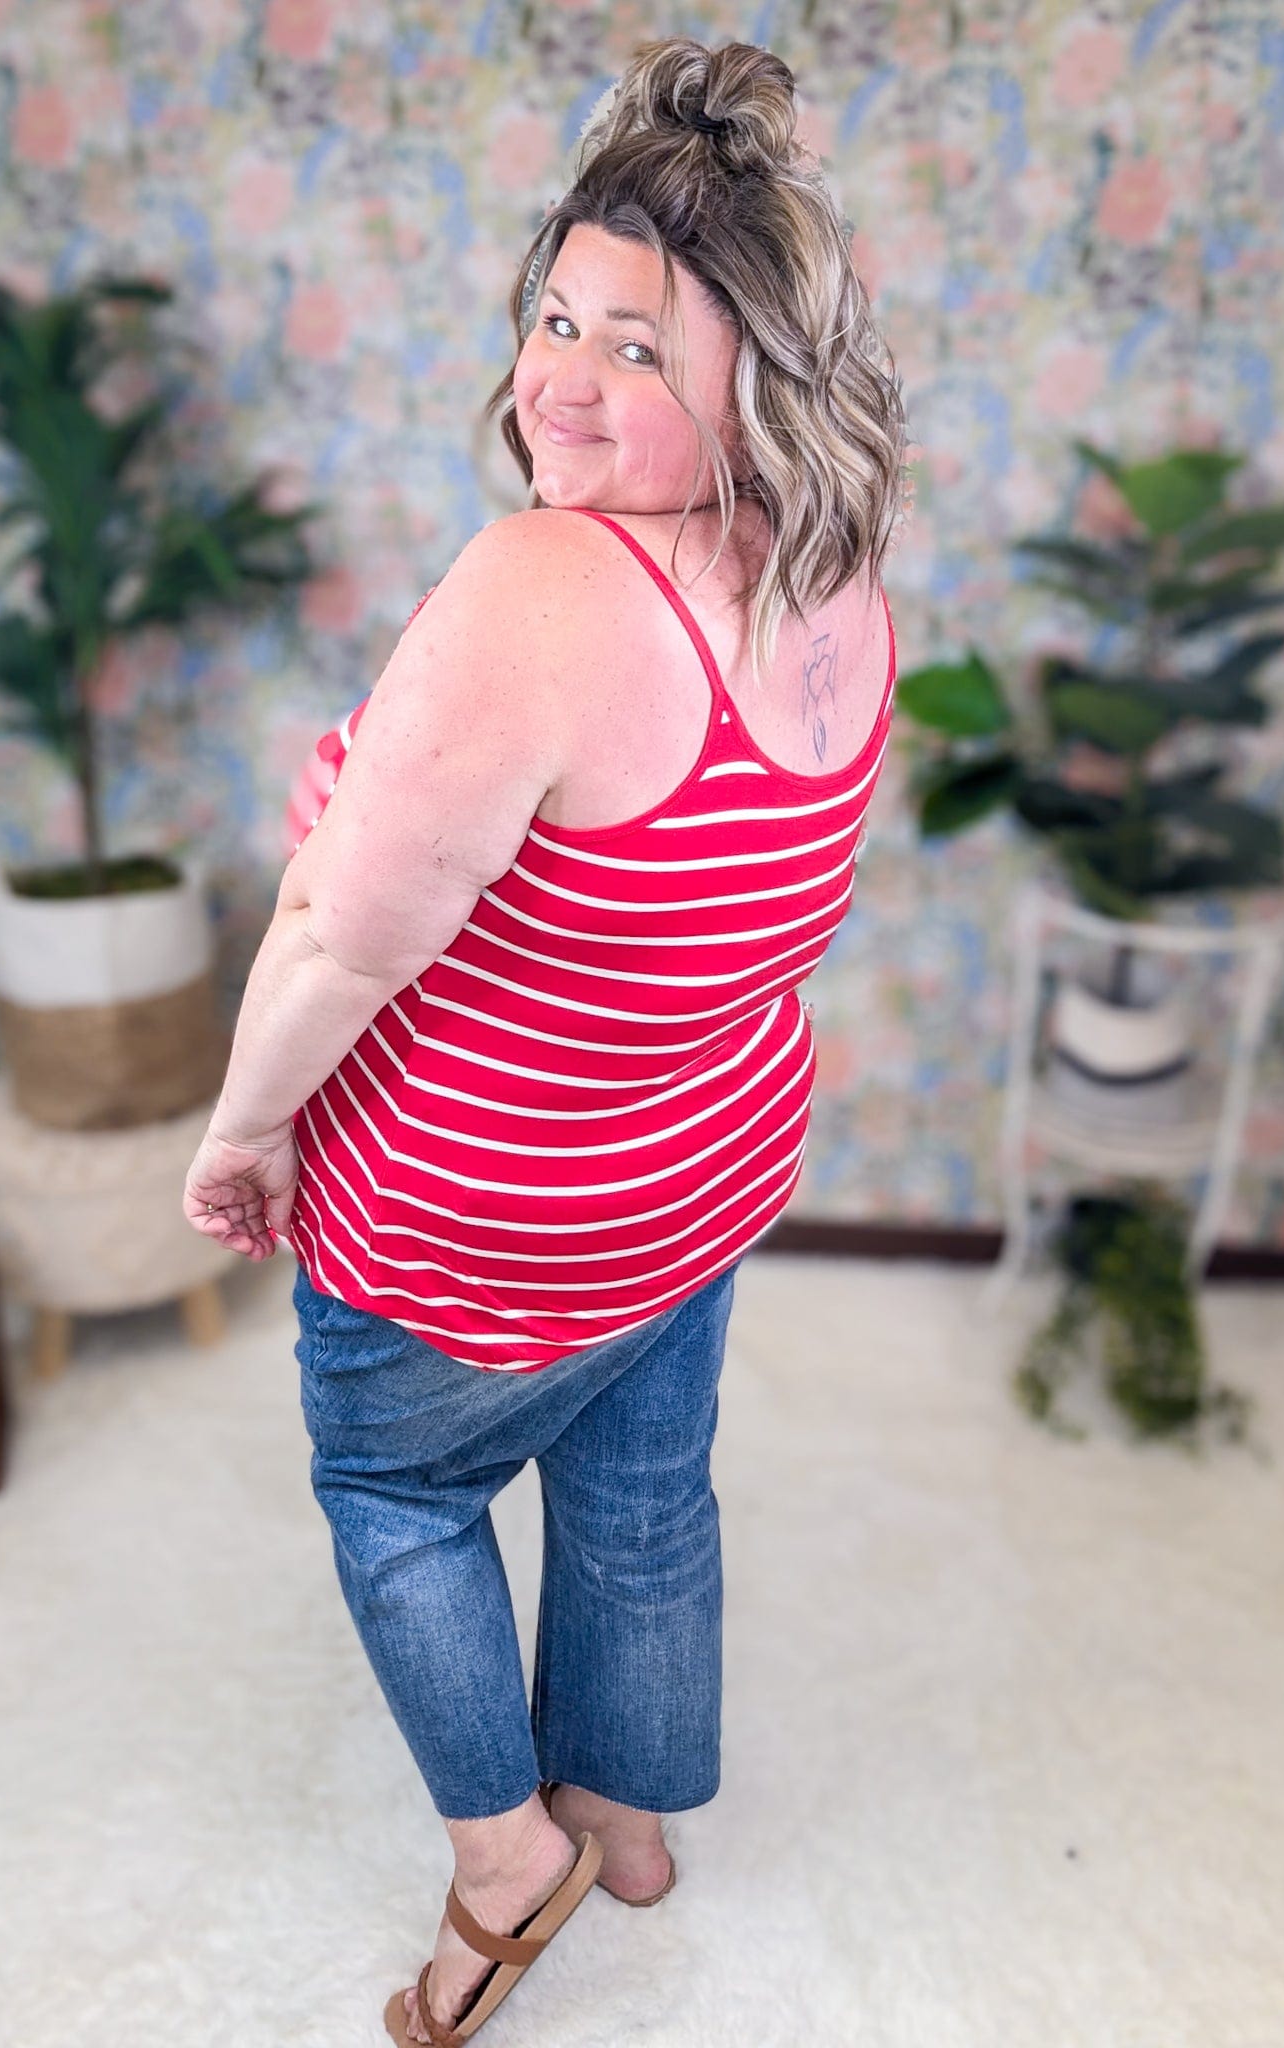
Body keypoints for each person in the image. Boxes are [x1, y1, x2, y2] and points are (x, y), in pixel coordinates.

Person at [183, 33, 907, 2047]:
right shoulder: (835, 571)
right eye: (558, 318)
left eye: (639, 349)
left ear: (756, 387)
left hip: (477, 1211)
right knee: (639, 1487)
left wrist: (241, 1129)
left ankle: (508, 1864)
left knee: (395, 1494)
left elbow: (336, 932)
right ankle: (629, 1823)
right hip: (696, 1171)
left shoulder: (540, 590)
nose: (560, 381)